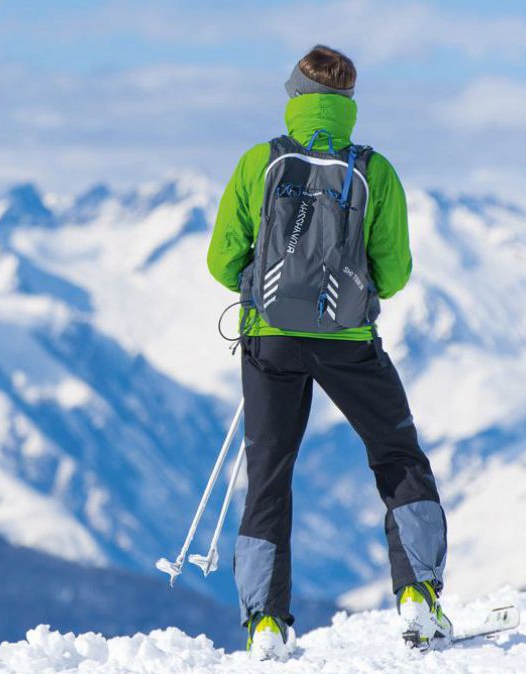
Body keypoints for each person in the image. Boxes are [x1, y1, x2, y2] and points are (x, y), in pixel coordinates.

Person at [206, 45, 451, 661]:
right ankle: (418, 593)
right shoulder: (374, 169)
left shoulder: (259, 163)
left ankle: (265, 623)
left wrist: (262, 288)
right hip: (348, 342)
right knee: (396, 455)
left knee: (269, 473)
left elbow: (220, 260)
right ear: (349, 101)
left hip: (271, 338)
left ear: (294, 95)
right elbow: (393, 273)